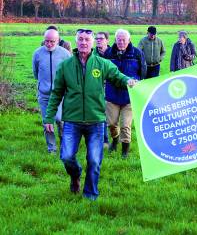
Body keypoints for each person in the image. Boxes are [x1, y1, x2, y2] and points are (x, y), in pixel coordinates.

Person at [44, 29, 136, 201]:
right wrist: (49, 117)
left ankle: (90, 195)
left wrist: (129, 81)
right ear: (76, 41)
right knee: (66, 156)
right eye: (80, 39)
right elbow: (56, 93)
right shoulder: (65, 66)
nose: (84, 42)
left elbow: (117, 77)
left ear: (93, 42)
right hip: (72, 120)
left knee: (94, 161)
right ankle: (76, 174)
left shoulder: (102, 64)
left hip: (96, 121)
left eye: (87, 39)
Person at [105, 29, 147, 158]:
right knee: (111, 124)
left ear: (129, 40)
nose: (121, 42)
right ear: (115, 40)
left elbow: (143, 71)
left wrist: (137, 82)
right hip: (112, 95)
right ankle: (115, 140)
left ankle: (125, 152)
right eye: (119, 39)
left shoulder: (137, 53)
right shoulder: (108, 53)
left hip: (129, 97)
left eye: (124, 40)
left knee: (125, 126)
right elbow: (104, 71)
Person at [32, 28, 71, 153]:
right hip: (44, 95)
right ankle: (52, 148)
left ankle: (64, 143)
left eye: (52, 42)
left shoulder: (65, 54)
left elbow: (69, 74)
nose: (49, 44)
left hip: (60, 95)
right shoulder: (37, 54)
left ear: (58, 40)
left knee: (60, 120)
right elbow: (36, 73)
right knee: (47, 123)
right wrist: (44, 85)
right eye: (46, 41)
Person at [93, 31, 110, 147]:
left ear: (107, 40)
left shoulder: (113, 53)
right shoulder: (92, 54)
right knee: (100, 113)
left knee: (111, 117)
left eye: (101, 38)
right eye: (97, 38)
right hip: (97, 86)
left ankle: (113, 137)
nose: (98, 40)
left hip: (111, 86)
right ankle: (104, 140)